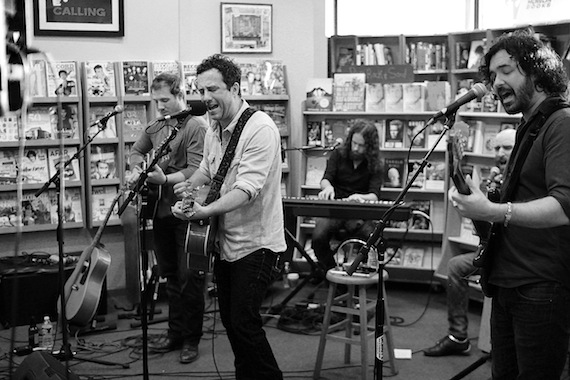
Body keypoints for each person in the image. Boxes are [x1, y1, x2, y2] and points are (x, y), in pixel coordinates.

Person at [448, 29, 570, 379]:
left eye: (507, 70)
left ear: (537, 71)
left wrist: (494, 210)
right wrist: (482, 204)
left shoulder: (561, 124)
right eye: (493, 74)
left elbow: (564, 206)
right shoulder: (530, 125)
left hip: (540, 286)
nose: (497, 82)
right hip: (508, 280)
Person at [171, 54, 286, 379]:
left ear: (234, 87)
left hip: (257, 245)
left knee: (243, 323)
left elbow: (246, 189)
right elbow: (208, 170)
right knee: (232, 323)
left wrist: (204, 211)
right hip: (224, 242)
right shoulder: (214, 128)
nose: (205, 98)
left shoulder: (260, 128)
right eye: (200, 90)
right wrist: (188, 192)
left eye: (212, 89)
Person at [125, 72, 208, 364]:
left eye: (164, 100)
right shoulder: (157, 126)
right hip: (161, 210)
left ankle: (191, 339)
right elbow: (136, 151)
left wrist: (164, 179)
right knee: (170, 274)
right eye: (155, 100)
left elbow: (199, 169)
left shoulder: (196, 126)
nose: (159, 106)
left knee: (190, 277)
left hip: (188, 210)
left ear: (179, 94)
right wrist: (136, 168)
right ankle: (175, 334)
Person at [424, 128, 516, 357]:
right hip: (495, 250)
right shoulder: (496, 180)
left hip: (516, 255)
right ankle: (458, 336)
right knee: (455, 266)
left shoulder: (521, 180)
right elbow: (487, 231)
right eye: (496, 148)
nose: (500, 153)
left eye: (507, 148)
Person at [311, 119, 383, 274]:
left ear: (370, 147)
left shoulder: (376, 163)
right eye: (354, 143)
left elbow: (374, 195)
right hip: (335, 209)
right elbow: (325, 179)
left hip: (359, 213)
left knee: (374, 239)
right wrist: (328, 187)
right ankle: (332, 274)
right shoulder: (339, 153)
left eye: (361, 145)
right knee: (318, 238)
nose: (356, 148)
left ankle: (356, 275)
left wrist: (359, 197)